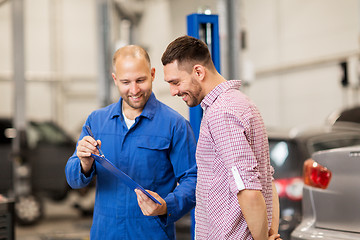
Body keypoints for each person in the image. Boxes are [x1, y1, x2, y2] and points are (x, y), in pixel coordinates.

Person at [65, 45, 197, 240]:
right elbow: (72, 178)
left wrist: (168, 205)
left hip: (151, 234)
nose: (134, 90)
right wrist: (84, 164)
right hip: (105, 233)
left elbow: (193, 179)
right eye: (126, 82)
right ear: (115, 79)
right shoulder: (97, 122)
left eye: (140, 80)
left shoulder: (174, 125)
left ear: (152, 74)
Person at [161, 35, 281, 240]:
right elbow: (267, 180)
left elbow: (249, 189)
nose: (173, 91)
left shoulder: (221, 113)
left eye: (176, 82)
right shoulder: (243, 104)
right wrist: (271, 233)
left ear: (198, 72)